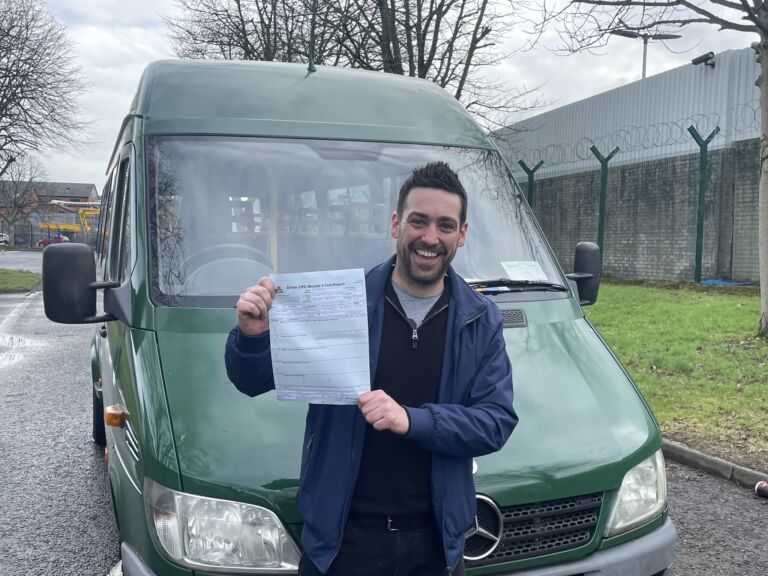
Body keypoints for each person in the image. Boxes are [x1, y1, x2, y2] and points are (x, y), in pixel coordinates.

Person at [225, 161, 517, 576]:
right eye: (418, 221)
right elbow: (251, 381)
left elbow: (495, 422)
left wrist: (413, 421)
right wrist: (253, 337)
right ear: (396, 224)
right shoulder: (339, 303)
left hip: (434, 544)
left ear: (462, 235)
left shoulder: (480, 319)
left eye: (445, 226)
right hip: (343, 542)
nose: (430, 238)